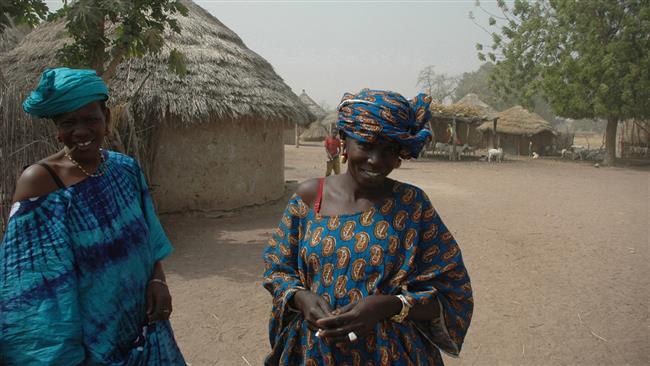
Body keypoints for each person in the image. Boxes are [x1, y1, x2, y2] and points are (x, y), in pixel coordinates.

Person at [262, 89, 473, 365]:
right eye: (366, 145)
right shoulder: (310, 197)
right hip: (314, 352)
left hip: (391, 354)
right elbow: (277, 267)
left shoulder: (412, 205)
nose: (376, 160)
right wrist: (301, 298)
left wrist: (388, 306)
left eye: (388, 150)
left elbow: (452, 293)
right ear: (343, 141)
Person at [0, 68, 185, 365]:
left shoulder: (124, 170)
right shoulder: (41, 184)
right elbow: (33, 295)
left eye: (90, 119)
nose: (81, 131)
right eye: (68, 122)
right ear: (56, 128)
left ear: (107, 119)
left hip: (145, 332)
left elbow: (148, 238)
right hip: (89, 349)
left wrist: (158, 281)